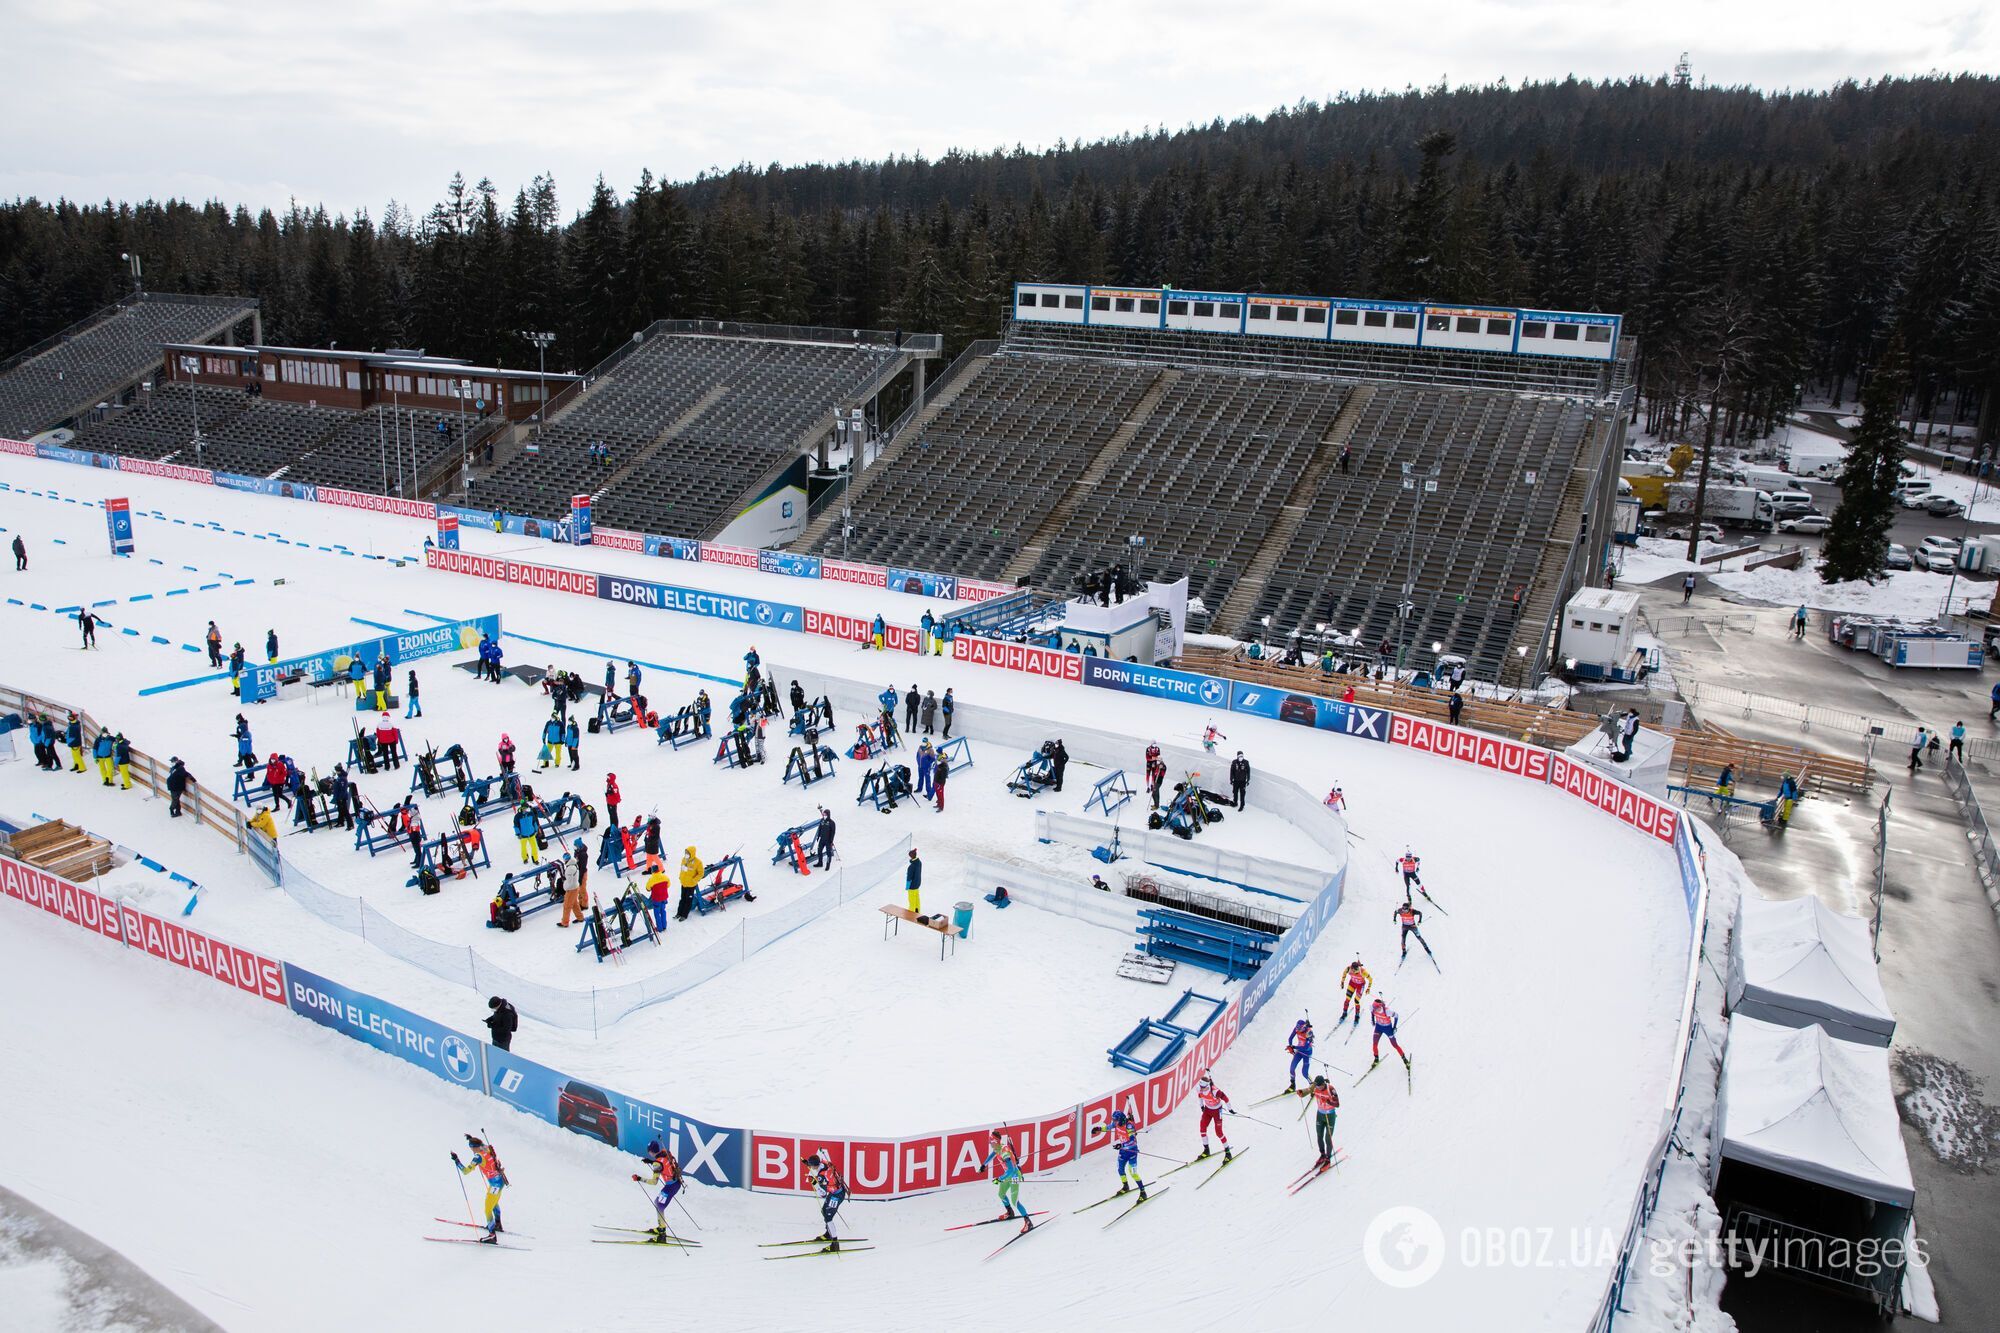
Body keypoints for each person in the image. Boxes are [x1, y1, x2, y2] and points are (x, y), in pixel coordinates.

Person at [452, 1135, 507, 1241]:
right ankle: (498, 1224)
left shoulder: (478, 1156)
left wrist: (457, 1161)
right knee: (494, 1203)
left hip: (495, 1184)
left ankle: (492, 1236)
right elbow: (480, 1144)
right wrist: (471, 1138)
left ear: (475, 1147)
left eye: (471, 1148)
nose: (471, 1150)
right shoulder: (486, 1148)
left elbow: (466, 1171)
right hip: (500, 1180)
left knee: (487, 1209)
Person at [632, 1143, 683, 1242]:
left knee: (659, 1205)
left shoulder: (657, 1164)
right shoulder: (665, 1152)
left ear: (650, 1152)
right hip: (677, 1183)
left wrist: (639, 1178)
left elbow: (654, 1182)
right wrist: (651, 1162)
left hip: (670, 1187)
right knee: (658, 1203)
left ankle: (662, 1235)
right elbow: (663, 1163)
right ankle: (661, 1228)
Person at [982, 1130, 1033, 1230]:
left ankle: (1028, 1222)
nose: (990, 1144)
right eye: (990, 1142)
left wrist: (999, 1179)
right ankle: (1010, 1212)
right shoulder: (997, 1147)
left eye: (991, 1142)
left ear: (996, 1141)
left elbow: (1011, 1170)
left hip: (1014, 1176)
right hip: (1007, 1176)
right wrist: (984, 1164)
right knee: (1001, 1194)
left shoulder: (1004, 1151)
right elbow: (992, 1155)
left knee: (1015, 1201)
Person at [804, 1152, 848, 1246]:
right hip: (836, 1192)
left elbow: (823, 1194)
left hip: (836, 1195)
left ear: (815, 1166)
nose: (810, 1167)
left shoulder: (821, 1176)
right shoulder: (824, 1162)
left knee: (828, 1217)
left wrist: (814, 1183)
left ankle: (835, 1244)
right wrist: (806, 1162)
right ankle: (828, 1234)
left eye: (811, 1166)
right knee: (824, 1211)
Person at [1195, 1070, 1232, 1161]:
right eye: (1200, 1086)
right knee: (1202, 1129)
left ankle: (1228, 1153)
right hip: (1207, 1110)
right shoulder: (1199, 1088)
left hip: (1217, 1110)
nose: (1201, 1088)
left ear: (1207, 1086)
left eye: (1203, 1087)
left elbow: (1226, 1099)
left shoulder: (1215, 1091)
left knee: (1218, 1132)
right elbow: (1200, 1096)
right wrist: (1202, 1107)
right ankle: (1206, 1151)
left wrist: (1230, 1109)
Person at [1368, 996, 1411, 1074]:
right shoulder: (1373, 1008)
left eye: (1376, 1008)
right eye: (1374, 1007)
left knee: (1395, 1045)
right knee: (1374, 1044)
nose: (1375, 1009)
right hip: (1378, 1027)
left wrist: (1394, 1027)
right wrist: (1373, 1020)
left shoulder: (1387, 1011)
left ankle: (1405, 1061)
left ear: (1380, 1006)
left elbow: (1396, 1016)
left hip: (1388, 1029)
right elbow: (1372, 1012)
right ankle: (1376, 1059)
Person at [1109, 1109, 1146, 1199]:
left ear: (1121, 1119)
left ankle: (1143, 1192)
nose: (1114, 1122)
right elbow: (1108, 1127)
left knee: (1133, 1173)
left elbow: (1132, 1141)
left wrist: (1121, 1145)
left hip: (1132, 1152)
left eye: (1116, 1120)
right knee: (1120, 1169)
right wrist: (1098, 1129)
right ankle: (1125, 1186)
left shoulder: (1129, 1126)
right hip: (1123, 1151)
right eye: (1113, 1120)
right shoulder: (1116, 1124)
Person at [1308, 1075, 1340, 1169]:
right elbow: (1309, 1091)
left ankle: (1328, 1160)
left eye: (1319, 1086)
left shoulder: (1330, 1089)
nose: (1318, 1088)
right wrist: (1302, 1093)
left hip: (1330, 1115)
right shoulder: (1316, 1087)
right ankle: (1322, 1155)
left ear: (1323, 1084)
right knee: (1319, 1135)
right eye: (1316, 1086)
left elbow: (1337, 1104)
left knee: (1327, 1138)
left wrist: (1327, 1101)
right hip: (1320, 1115)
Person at [1392, 901, 1434, 965]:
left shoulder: (1412, 911)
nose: (1404, 910)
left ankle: (1427, 949)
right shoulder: (1400, 910)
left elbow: (1420, 913)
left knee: (1419, 938)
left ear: (1408, 908)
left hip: (1413, 926)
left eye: (1405, 909)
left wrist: (1419, 921)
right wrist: (1394, 919)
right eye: (1403, 909)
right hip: (1404, 927)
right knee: (1403, 940)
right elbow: (1395, 912)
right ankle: (1403, 952)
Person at [1339, 956, 1372, 1027]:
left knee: (1356, 1000)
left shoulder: (1363, 971)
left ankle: (1357, 1015)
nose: (1352, 971)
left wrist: (1368, 988)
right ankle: (1344, 1013)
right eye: (1352, 970)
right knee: (1347, 999)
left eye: (1353, 970)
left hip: (1360, 986)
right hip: (1352, 984)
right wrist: (1342, 982)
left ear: (1356, 969)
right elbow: (1344, 973)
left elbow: (1370, 979)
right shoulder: (1349, 968)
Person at [1286, 1016, 1314, 1092]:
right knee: (1292, 1068)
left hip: (1307, 1052)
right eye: (1297, 1029)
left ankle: (1312, 1085)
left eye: (1300, 1029)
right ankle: (1293, 1085)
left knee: (1304, 1072)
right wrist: (1291, 1046)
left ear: (1304, 1027)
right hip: (1299, 1051)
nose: (1298, 1030)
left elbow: (1305, 1047)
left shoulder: (1309, 1032)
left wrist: (1294, 1047)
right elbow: (1290, 1038)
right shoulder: (1297, 1029)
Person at [644, 859, 673, 932]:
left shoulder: (652, 879)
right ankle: (664, 926)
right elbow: (668, 885)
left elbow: (648, 888)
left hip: (656, 899)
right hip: (664, 898)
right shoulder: (665, 877)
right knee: (663, 911)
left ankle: (659, 928)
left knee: (657, 913)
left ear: (652, 871)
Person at [676, 847, 704, 922]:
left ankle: (684, 915)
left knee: (688, 900)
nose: (686, 854)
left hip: (691, 885)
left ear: (692, 853)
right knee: (682, 899)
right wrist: (681, 877)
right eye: (685, 853)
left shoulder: (698, 862)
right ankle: (679, 913)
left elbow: (701, 873)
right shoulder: (684, 859)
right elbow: (682, 869)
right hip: (684, 883)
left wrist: (694, 880)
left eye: (687, 853)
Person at [513, 799, 540, 865]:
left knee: (534, 847)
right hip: (523, 836)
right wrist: (518, 834)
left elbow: (534, 822)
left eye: (527, 808)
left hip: (531, 834)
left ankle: (535, 859)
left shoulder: (531, 814)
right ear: (522, 808)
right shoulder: (517, 816)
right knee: (523, 848)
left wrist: (536, 829)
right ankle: (525, 858)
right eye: (525, 808)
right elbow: (516, 826)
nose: (526, 809)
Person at [813, 804, 838, 868]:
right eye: (823, 814)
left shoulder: (832, 822)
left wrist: (831, 840)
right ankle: (820, 863)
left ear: (828, 815)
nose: (824, 816)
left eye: (825, 815)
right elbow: (820, 828)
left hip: (828, 840)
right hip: (822, 839)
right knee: (819, 851)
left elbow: (833, 832)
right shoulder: (822, 820)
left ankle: (828, 865)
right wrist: (818, 836)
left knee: (828, 853)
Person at [1144, 742, 1166, 808]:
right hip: (1156, 781)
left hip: (1158, 781)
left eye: (1159, 760)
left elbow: (1163, 770)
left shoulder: (1163, 766)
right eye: (1158, 760)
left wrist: (1161, 768)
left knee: (1154, 793)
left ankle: (1156, 805)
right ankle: (1156, 804)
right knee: (1156, 793)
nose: (1158, 761)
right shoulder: (1158, 765)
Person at [905, 848, 923, 913]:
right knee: (917, 899)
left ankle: (911, 914)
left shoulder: (911, 866)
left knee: (912, 901)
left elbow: (909, 879)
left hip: (912, 887)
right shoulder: (919, 862)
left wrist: (907, 887)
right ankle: (917, 912)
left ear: (911, 856)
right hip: (917, 884)